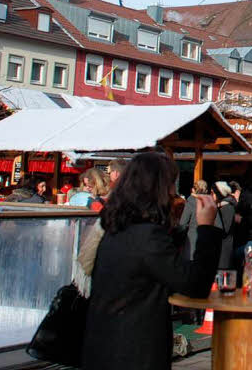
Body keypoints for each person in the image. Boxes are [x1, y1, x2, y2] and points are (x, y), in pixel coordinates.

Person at [81, 152, 220, 370]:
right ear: (158, 188)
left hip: (103, 345)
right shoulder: (147, 236)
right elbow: (195, 284)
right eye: (171, 184)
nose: (174, 192)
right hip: (133, 351)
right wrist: (206, 229)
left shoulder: (116, 226)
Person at [179, 179, 209, 258]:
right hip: (207, 244)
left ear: (193, 190)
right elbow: (218, 226)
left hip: (192, 244)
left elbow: (182, 224)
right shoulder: (210, 203)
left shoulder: (191, 202)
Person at [212, 180, 237, 269]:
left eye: (213, 192)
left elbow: (224, 230)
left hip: (224, 251)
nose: (211, 195)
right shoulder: (220, 207)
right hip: (218, 250)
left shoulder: (228, 208)